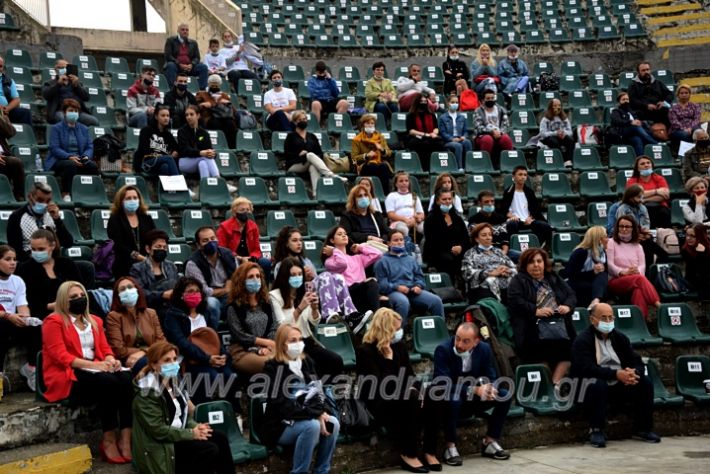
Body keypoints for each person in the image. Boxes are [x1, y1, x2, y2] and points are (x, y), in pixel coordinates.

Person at [42, 281, 133, 463]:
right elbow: (60, 356)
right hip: (68, 373)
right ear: (63, 301)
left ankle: (125, 438)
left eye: (82, 296)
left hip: (95, 370)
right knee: (109, 383)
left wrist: (110, 360)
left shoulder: (95, 321)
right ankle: (108, 439)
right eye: (73, 297)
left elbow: (105, 349)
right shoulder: (53, 322)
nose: (79, 299)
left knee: (126, 378)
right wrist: (95, 366)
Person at [357, 308, 439, 473]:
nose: (399, 333)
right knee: (411, 398)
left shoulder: (399, 346)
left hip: (403, 396)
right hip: (379, 404)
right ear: (385, 330)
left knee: (434, 394)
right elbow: (378, 388)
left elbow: (410, 375)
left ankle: (430, 451)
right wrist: (388, 360)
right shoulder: (365, 351)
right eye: (396, 329)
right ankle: (409, 453)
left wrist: (420, 390)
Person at [132, 341, 234, 474]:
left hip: (178, 436)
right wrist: (192, 434)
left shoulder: (174, 382)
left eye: (174, 359)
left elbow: (182, 417)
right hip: (161, 445)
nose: (173, 363)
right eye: (167, 360)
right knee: (208, 450)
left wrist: (196, 427)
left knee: (219, 438)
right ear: (154, 365)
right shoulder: (147, 392)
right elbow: (157, 430)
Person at [571, 302, 661, 448]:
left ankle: (644, 428)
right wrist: (615, 374)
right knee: (597, 384)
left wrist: (633, 373)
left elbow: (636, 361)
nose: (608, 322)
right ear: (593, 319)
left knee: (644, 382)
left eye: (610, 318)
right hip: (589, 387)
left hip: (618, 384)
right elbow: (586, 369)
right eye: (603, 318)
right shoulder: (582, 340)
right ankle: (596, 430)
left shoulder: (620, 338)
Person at [261, 324, 340, 474]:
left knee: (333, 423)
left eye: (300, 339)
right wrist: (315, 415)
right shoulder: (272, 368)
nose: (298, 344)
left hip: (307, 417)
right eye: (292, 340)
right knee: (312, 426)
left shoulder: (307, 362)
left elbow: (318, 394)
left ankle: (322, 470)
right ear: (282, 344)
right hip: (281, 425)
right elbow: (283, 406)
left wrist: (321, 412)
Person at [432, 322, 512, 465]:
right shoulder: (443, 350)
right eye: (457, 338)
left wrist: (490, 388)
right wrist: (473, 389)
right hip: (450, 401)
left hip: (473, 400)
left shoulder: (484, 349)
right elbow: (441, 384)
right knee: (454, 400)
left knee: (504, 394)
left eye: (465, 341)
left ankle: (490, 441)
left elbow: (491, 374)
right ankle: (450, 447)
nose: (459, 344)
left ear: (476, 342)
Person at [163, 276, 238, 407]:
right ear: (181, 295)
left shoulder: (206, 312)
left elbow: (214, 337)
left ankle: (233, 413)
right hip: (190, 360)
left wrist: (223, 355)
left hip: (212, 358)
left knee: (230, 375)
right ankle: (202, 413)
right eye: (190, 291)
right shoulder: (172, 315)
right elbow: (182, 343)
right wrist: (207, 359)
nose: (195, 294)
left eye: (197, 291)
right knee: (210, 377)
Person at [507, 248, 577, 386]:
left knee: (572, 347)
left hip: (558, 323)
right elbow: (514, 301)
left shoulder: (553, 277)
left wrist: (567, 306)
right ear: (525, 265)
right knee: (539, 350)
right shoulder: (518, 280)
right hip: (531, 325)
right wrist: (535, 311)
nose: (536, 265)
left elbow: (571, 295)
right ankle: (546, 384)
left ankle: (555, 383)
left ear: (544, 263)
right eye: (531, 262)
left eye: (539, 261)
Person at [269, 257, 343, 377]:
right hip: (289, 343)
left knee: (336, 360)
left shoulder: (302, 293)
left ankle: (326, 390)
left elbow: (315, 321)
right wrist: (299, 309)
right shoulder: (274, 296)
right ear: (284, 276)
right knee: (310, 366)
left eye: (299, 274)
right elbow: (281, 326)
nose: (297, 277)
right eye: (293, 275)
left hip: (306, 341)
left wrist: (314, 309)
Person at [273, 226, 360, 324]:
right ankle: (328, 314)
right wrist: (303, 278)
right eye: (294, 240)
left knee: (337, 277)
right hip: (296, 295)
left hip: (310, 293)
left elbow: (318, 283)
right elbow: (281, 287)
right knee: (326, 275)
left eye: (301, 240)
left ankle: (350, 314)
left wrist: (311, 278)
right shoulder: (280, 265)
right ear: (286, 244)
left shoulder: (306, 261)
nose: (299, 243)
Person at [374, 229, 444, 326]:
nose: (399, 242)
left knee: (436, 301)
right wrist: (397, 287)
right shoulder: (382, 262)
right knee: (403, 303)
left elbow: (419, 277)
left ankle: (440, 330)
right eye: (395, 240)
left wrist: (418, 286)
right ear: (389, 243)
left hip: (412, 291)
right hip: (393, 292)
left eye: (401, 240)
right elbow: (382, 285)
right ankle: (399, 334)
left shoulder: (411, 259)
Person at [16, 228, 81, 322]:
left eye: (41, 249)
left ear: (53, 245)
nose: (37, 252)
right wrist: (50, 306)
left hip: (70, 311)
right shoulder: (25, 269)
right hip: (40, 315)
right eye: (33, 249)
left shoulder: (67, 264)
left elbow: (80, 288)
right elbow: (25, 300)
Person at [225, 262, 277, 376]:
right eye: (251, 277)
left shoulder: (267, 302)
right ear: (241, 281)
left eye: (258, 276)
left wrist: (268, 346)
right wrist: (264, 343)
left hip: (268, 348)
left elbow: (273, 327)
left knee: (295, 360)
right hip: (242, 351)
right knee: (273, 365)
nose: (255, 280)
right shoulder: (233, 307)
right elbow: (240, 335)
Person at [322, 226, 379, 329]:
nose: (344, 235)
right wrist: (335, 251)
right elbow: (342, 264)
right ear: (332, 240)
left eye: (345, 233)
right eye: (339, 234)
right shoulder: (330, 261)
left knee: (381, 295)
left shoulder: (357, 258)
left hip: (362, 291)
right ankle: (376, 321)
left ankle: (373, 321)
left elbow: (377, 254)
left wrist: (360, 247)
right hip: (347, 293)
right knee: (371, 283)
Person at [106, 277, 165, 372]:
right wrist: (148, 351)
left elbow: (161, 342)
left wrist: (143, 352)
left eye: (130, 287)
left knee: (170, 362)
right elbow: (119, 350)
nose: (127, 291)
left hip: (152, 355)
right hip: (129, 359)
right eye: (122, 289)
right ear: (118, 296)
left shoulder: (151, 313)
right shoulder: (113, 317)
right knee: (153, 363)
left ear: (137, 290)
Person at [607, 216, 660, 318]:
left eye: (627, 226)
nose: (624, 229)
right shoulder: (611, 242)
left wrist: (637, 271)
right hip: (616, 280)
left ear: (633, 228)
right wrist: (623, 272)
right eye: (621, 226)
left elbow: (642, 265)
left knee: (638, 291)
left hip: (635, 280)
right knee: (640, 279)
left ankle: (641, 320)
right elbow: (610, 265)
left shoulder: (638, 246)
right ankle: (658, 305)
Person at [8, 181, 75, 262]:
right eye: (40, 200)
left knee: (86, 266)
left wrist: (57, 219)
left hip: (53, 261)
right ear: (30, 197)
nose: (44, 204)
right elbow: (15, 251)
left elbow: (68, 243)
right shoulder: (16, 217)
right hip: (29, 262)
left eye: (47, 201)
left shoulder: (51, 215)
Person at [44, 98, 99, 198]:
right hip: (60, 160)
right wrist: (69, 156)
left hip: (79, 158)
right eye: (70, 111)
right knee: (70, 165)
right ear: (64, 112)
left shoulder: (84, 128)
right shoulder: (56, 128)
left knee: (92, 166)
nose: (73, 113)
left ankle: (89, 193)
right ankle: (66, 193)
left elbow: (89, 146)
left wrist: (86, 156)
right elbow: (54, 148)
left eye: (75, 111)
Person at [283, 109, 347, 193]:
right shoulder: (290, 136)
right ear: (295, 122)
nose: (303, 121)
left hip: (309, 163)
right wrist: (299, 154)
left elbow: (319, 153)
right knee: (309, 155)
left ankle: (316, 194)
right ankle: (330, 175)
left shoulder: (312, 136)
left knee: (313, 166)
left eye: (304, 119)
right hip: (294, 165)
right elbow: (287, 154)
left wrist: (308, 155)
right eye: (300, 120)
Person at [0, 245, 36, 391]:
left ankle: (32, 368)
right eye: (8, 259)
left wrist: (26, 318)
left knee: (36, 326)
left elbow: (23, 306)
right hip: (3, 321)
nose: (13, 263)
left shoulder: (18, 281)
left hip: (11, 321)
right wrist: (8, 315)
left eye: (14, 259)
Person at [185, 226, 236, 321]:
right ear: (198, 245)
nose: (211, 242)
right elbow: (203, 291)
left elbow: (236, 278)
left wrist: (230, 286)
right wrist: (226, 289)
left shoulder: (228, 254)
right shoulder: (193, 263)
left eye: (213, 239)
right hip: (205, 300)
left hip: (228, 297)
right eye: (205, 240)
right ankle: (211, 333)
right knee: (211, 303)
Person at [107, 184, 156, 279]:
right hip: (124, 262)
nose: (132, 200)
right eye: (128, 198)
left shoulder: (146, 218)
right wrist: (138, 257)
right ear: (121, 201)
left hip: (146, 260)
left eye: (135, 197)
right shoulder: (115, 219)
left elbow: (154, 238)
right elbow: (117, 244)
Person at [130, 229, 179, 321]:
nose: (162, 249)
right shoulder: (137, 268)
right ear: (148, 249)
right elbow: (140, 292)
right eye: (158, 246)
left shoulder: (171, 266)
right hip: (149, 308)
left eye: (164, 247)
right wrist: (162, 295)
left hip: (171, 307)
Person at [462, 223, 517, 303]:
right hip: (481, 287)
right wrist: (490, 273)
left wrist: (506, 270)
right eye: (484, 235)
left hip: (504, 283)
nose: (488, 237)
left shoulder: (498, 251)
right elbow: (466, 273)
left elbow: (513, 267)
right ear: (476, 239)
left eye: (490, 235)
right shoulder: (470, 253)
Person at [424, 188, 470, 283]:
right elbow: (432, 242)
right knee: (448, 259)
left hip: (458, 251)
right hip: (437, 252)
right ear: (437, 201)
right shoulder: (431, 219)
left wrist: (460, 247)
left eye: (449, 199)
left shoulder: (457, 218)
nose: (447, 202)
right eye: (444, 199)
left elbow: (465, 237)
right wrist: (451, 249)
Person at [178, 104, 231, 185]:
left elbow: (209, 149)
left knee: (203, 163)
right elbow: (185, 150)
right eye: (187, 115)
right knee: (204, 157)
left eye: (191, 114)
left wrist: (213, 154)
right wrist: (201, 153)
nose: (188, 117)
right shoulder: (181, 131)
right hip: (184, 162)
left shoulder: (204, 133)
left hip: (200, 160)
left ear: (198, 115)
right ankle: (220, 181)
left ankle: (206, 188)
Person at [217, 197, 270, 276]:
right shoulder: (224, 227)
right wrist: (239, 258)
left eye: (248, 210)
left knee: (265, 263)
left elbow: (256, 248)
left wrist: (252, 257)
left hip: (250, 258)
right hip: (232, 259)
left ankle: (263, 287)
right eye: (242, 210)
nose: (246, 212)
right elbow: (222, 249)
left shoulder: (253, 226)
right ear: (235, 212)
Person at [501, 166, 553, 246]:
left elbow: (535, 209)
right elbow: (503, 209)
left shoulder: (529, 192)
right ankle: (513, 246)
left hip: (528, 220)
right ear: (514, 176)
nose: (523, 177)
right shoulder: (508, 192)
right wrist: (511, 216)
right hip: (516, 220)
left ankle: (537, 247)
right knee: (511, 224)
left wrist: (530, 217)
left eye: (525, 175)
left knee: (545, 227)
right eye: (520, 174)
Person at [42, 58, 98, 126]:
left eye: (65, 67)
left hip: (76, 112)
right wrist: (58, 84)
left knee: (93, 121)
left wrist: (77, 86)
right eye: (61, 68)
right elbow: (46, 95)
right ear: (56, 70)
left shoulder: (75, 82)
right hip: (59, 111)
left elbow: (86, 98)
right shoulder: (49, 83)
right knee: (62, 119)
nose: (64, 69)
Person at [566, 226, 608, 309]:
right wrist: (593, 272)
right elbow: (571, 275)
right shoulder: (581, 252)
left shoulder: (602, 253)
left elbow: (606, 272)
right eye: (606, 237)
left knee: (602, 275)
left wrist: (599, 271)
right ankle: (596, 300)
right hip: (577, 283)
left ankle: (596, 300)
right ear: (599, 239)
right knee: (596, 285)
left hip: (595, 282)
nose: (608, 239)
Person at [133, 104, 180, 177]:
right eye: (163, 115)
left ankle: (163, 188)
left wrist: (175, 151)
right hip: (148, 162)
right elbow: (144, 150)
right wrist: (163, 156)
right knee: (169, 158)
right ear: (156, 116)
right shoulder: (146, 131)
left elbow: (176, 147)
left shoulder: (168, 134)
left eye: (168, 116)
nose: (166, 118)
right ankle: (180, 186)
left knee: (165, 167)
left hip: (161, 162)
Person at [351, 114, 393, 192]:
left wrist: (382, 150)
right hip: (364, 165)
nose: (370, 125)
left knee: (384, 166)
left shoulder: (380, 137)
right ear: (363, 125)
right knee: (372, 166)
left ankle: (384, 194)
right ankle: (371, 192)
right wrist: (366, 155)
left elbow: (389, 153)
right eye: (367, 123)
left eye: (372, 123)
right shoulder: (356, 139)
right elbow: (353, 158)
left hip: (380, 162)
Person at [626, 155, 671, 229]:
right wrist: (656, 191)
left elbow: (665, 195)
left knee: (664, 213)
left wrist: (645, 199)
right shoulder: (632, 181)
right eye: (642, 164)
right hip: (639, 208)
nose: (646, 165)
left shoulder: (659, 178)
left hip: (660, 207)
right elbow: (632, 196)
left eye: (648, 163)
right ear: (637, 168)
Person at [608, 91, 658, 157]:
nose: (626, 101)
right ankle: (655, 143)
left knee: (637, 139)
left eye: (627, 99)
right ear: (619, 101)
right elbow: (618, 121)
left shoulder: (631, 111)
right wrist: (631, 122)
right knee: (635, 127)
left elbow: (637, 120)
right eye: (623, 99)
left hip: (633, 134)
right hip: (621, 133)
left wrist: (640, 122)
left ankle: (640, 158)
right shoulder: (616, 111)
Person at [473, 89, 513, 169]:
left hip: (498, 133)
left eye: (492, 98)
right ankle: (484, 165)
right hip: (483, 135)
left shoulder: (501, 110)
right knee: (488, 139)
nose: (490, 100)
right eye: (488, 98)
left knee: (506, 139)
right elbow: (478, 128)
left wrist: (500, 133)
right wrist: (491, 132)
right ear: (483, 100)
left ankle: (509, 164)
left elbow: (506, 125)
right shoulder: (478, 111)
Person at [195, 74, 237, 149]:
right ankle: (215, 146)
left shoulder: (224, 95)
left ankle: (231, 148)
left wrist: (227, 103)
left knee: (230, 124)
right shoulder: (201, 94)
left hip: (223, 117)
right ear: (209, 84)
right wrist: (203, 105)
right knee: (215, 123)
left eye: (216, 86)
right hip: (209, 118)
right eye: (212, 85)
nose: (214, 87)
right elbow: (195, 108)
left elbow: (233, 110)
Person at [405, 92, 445, 172]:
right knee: (422, 144)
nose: (423, 103)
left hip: (430, 136)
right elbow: (411, 131)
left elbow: (436, 127)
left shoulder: (431, 114)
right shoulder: (411, 115)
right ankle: (424, 168)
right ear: (417, 102)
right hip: (417, 137)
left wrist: (434, 133)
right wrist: (424, 134)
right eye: (421, 101)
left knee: (439, 143)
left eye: (425, 101)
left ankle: (437, 167)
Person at [163, 23, 209, 90]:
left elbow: (197, 57)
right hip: (176, 66)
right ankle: (172, 89)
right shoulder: (171, 41)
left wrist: (192, 64)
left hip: (189, 67)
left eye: (187, 30)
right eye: (183, 29)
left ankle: (201, 90)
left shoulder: (193, 43)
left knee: (203, 67)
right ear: (178, 31)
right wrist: (179, 64)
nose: (185, 31)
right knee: (170, 65)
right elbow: (168, 56)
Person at [468, 190, 513, 257]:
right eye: (486, 202)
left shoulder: (500, 218)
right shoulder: (473, 220)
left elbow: (505, 239)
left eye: (492, 201)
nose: (490, 204)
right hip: (482, 252)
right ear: (480, 203)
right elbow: (474, 241)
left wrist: (504, 252)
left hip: (500, 250)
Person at [627, 61, 673, 126]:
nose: (646, 72)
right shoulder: (633, 85)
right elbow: (632, 100)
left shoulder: (658, 83)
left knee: (668, 111)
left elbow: (670, 94)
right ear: (638, 72)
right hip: (642, 111)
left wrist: (664, 102)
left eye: (647, 70)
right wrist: (646, 105)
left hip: (658, 110)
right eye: (643, 70)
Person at [386, 171, 425, 238]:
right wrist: (404, 219)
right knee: (403, 229)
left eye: (406, 181)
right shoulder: (392, 196)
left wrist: (417, 219)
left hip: (414, 220)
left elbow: (421, 214)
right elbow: (390, 214)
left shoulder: (414, 196)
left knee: (426, 228)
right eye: (401, 181)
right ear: (396, 184)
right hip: (399, 221)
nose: (404, 183)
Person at [438, 95, 472, 172]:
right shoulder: (443, 117)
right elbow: (442, 132)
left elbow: (466, 131)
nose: (455, 104)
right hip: (448, 141)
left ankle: (469, 166)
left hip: (459, 138)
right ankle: (459, 167)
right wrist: (452, 139)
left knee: (467, 142)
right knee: (458, 146)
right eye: (452, 102)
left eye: (456, 102)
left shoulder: (461, 117)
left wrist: (464, 136)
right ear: (448, 103)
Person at [538, 99, 575, 166]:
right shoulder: (545, 119)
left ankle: (568, 161)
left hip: (561, 136)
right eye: (555, 105)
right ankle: (561, 160)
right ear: (551, 107)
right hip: (549, 138)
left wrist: (563, 133)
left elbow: (570, 132)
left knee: (571, 141)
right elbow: (542, 133)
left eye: (559, 105)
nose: (557, 107)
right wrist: (555, 133)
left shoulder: (564, 118)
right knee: (554, 142)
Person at [0, 55, 32, 125]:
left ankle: (26, 135)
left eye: (0, 66)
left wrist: (7, 108)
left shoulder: (8, 81)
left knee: (25, 113)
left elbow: (16, 99)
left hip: (5, 110)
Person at [0, 109, 24, 200]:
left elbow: (11, 132)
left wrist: (2, 119)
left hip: (3, 157)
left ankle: (19, 196)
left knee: (16, 162)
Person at [669, 84, 701, 149]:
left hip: (692, 127)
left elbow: (696, 119)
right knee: (685, 135)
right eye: (682, 93)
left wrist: (690, 128)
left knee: (699, 133)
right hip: (678, 129)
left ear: (689, 94)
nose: (684, 95)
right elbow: (674, 122)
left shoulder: (695, 106)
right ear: (678, 95)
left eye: (686, 93)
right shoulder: (673, 108)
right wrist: (684, 129)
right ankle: (689, 154)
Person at [681, 224, 710, 295]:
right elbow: (696, 273)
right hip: (694, 283)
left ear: (700, 237)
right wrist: (700, 255)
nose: (688, 238)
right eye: (687, 235)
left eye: (692, 236)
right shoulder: (686, 249)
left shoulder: (708, 247)